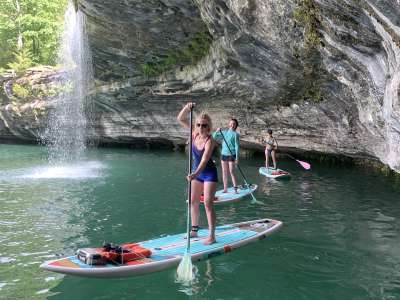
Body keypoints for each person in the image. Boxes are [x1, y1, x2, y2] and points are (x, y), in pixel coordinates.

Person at [177, 102, 217, 245]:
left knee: (207, 204)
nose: (200, 127)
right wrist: (187, 108)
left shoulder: (210, 141)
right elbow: (180, 119)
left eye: (204, 125)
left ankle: (212, 235)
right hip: (196, 173)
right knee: (193, 201)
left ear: (209, 127)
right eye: (199, 124)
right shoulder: (194, 133)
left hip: (209, 174)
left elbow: (205, 160)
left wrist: (194, 174)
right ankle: (194, 230)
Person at [213, 118, 240, 193]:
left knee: (231, 171)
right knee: (224, 172)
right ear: (229, 124)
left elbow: (237, 146)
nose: (232, 125)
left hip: (232, 155)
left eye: (234, 124)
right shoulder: (224, 132)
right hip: (223, 154)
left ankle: (235, 189)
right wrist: (217, 131)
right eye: (231, 123)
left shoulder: (236, 134)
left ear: (235, 126)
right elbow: (214, 137)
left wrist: (237, 158)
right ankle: (225, 189)